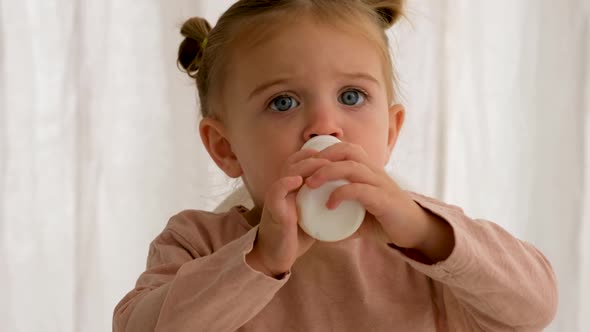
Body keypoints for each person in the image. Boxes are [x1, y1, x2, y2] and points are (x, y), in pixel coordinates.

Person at [113, 0, 558, 330]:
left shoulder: (422, 242)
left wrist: (425, 232)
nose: (325, 126)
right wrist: (261, 259)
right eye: (282, 102)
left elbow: (536, 306)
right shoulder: (198, 244)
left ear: (389, 132)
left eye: (351, 97)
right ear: (225, 148)